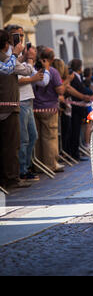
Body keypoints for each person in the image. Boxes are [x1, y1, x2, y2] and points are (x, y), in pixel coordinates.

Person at [0, 29, 33, 189]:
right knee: (11, 145)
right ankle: (11, 178)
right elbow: (9, 69)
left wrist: (18, 56)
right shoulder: (7, 59)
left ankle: (8, 177)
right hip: (7, 108)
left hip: (7, 107)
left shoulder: (7, 59)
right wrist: (16, 54)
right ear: (7, 44)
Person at [18, 46, 51, 181]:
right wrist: (32, 74)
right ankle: (22, 170)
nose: (33, 53)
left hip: (28, 102)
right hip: (20, 102)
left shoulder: (25, 64)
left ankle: (26, 165)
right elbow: (17, 80)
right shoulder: (15, 61)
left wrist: (32, 65)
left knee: (33, 136)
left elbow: (42, 81)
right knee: (24, 139)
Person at [32, 48, 65, 173]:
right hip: (49, 108)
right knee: (50, 137)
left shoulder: (33, 70)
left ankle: (39, 165)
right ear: (51, 59)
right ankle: (51, 164)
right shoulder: (52, 71)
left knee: (38, 138)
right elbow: (60, 90)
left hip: (35, 108)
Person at [69, 59, 93, 161]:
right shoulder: (74, 77)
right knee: (75, 131)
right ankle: (74, 154)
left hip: (80, 106)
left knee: (77, 130)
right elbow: (81, 89)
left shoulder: (77, 76)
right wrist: (85, 95)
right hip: (75, 107)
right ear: (80, 67)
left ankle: (76, 151)